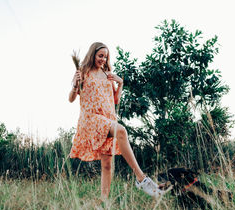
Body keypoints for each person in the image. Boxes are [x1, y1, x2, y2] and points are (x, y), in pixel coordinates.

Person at [68, 42, 164, 199]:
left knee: (107, 165)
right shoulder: (83, 72)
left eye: (105, 57)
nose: (103, 60)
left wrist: (120, 83)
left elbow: (115, 100)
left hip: (108, 118)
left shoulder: (108, 74)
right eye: (100, 56)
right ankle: (141, 179)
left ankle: (104, 202)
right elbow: (71, 99)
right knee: (121, 130)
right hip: (91, 118)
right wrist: (74, 85)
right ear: (92, 54)